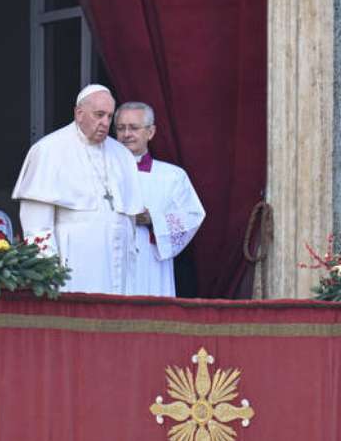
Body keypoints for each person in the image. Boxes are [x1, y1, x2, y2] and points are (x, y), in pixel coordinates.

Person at [12, 84, 144, 293]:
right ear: (79, 113)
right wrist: (47, 274)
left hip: (118, 268)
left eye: (109, 117)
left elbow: (130, 220)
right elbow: (37, 225)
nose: (105, 123)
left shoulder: (122, 155)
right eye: (99, 115)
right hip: (73, 268)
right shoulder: (49, 150)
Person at [114, 102, 205, 296]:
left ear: (151, 132)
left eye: (134, 128)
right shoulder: (102, 172)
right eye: (121, 128)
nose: (126, 134)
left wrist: (153, 220)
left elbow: (192, 215)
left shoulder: (172, 176)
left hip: (151, 261)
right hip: (111, 257)